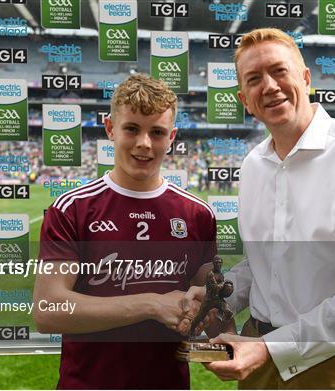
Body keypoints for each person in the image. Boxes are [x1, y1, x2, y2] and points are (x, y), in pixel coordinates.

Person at [184, 28, 335, 389]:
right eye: (254, 79)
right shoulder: (254, 164)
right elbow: (264, 264)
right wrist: (217, 297)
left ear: (305, 78)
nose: (269, 86)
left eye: (279, 71)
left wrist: (272, 348)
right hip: (259, 353)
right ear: (244, 100)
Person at [34, 74, 217, 389]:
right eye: (132, 128)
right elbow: (48, 309)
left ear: (171, 136)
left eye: (157, 132)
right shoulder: (72, 209)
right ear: (110, 129)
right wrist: (150, 304)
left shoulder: (198, 214)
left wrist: (205, 313)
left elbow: (209, 312)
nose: (144, 143)